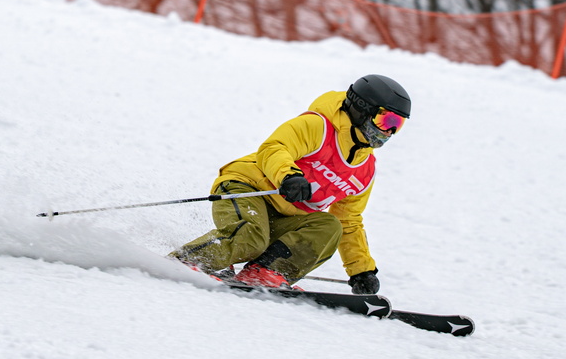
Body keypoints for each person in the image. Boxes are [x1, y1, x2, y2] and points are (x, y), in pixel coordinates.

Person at [171, 74, 410, 294]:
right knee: (251, 237)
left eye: (397, 125)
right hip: (249, 189)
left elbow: (349, 221)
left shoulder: (364, 171)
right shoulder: (318, 127)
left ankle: (266, 272)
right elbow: (275, 148)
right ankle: (186, 262)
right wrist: (289, 176)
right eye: (385, 119)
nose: (388, 132)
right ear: (361, 109)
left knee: (330, 227)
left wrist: (361, 270)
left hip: (285, 215)